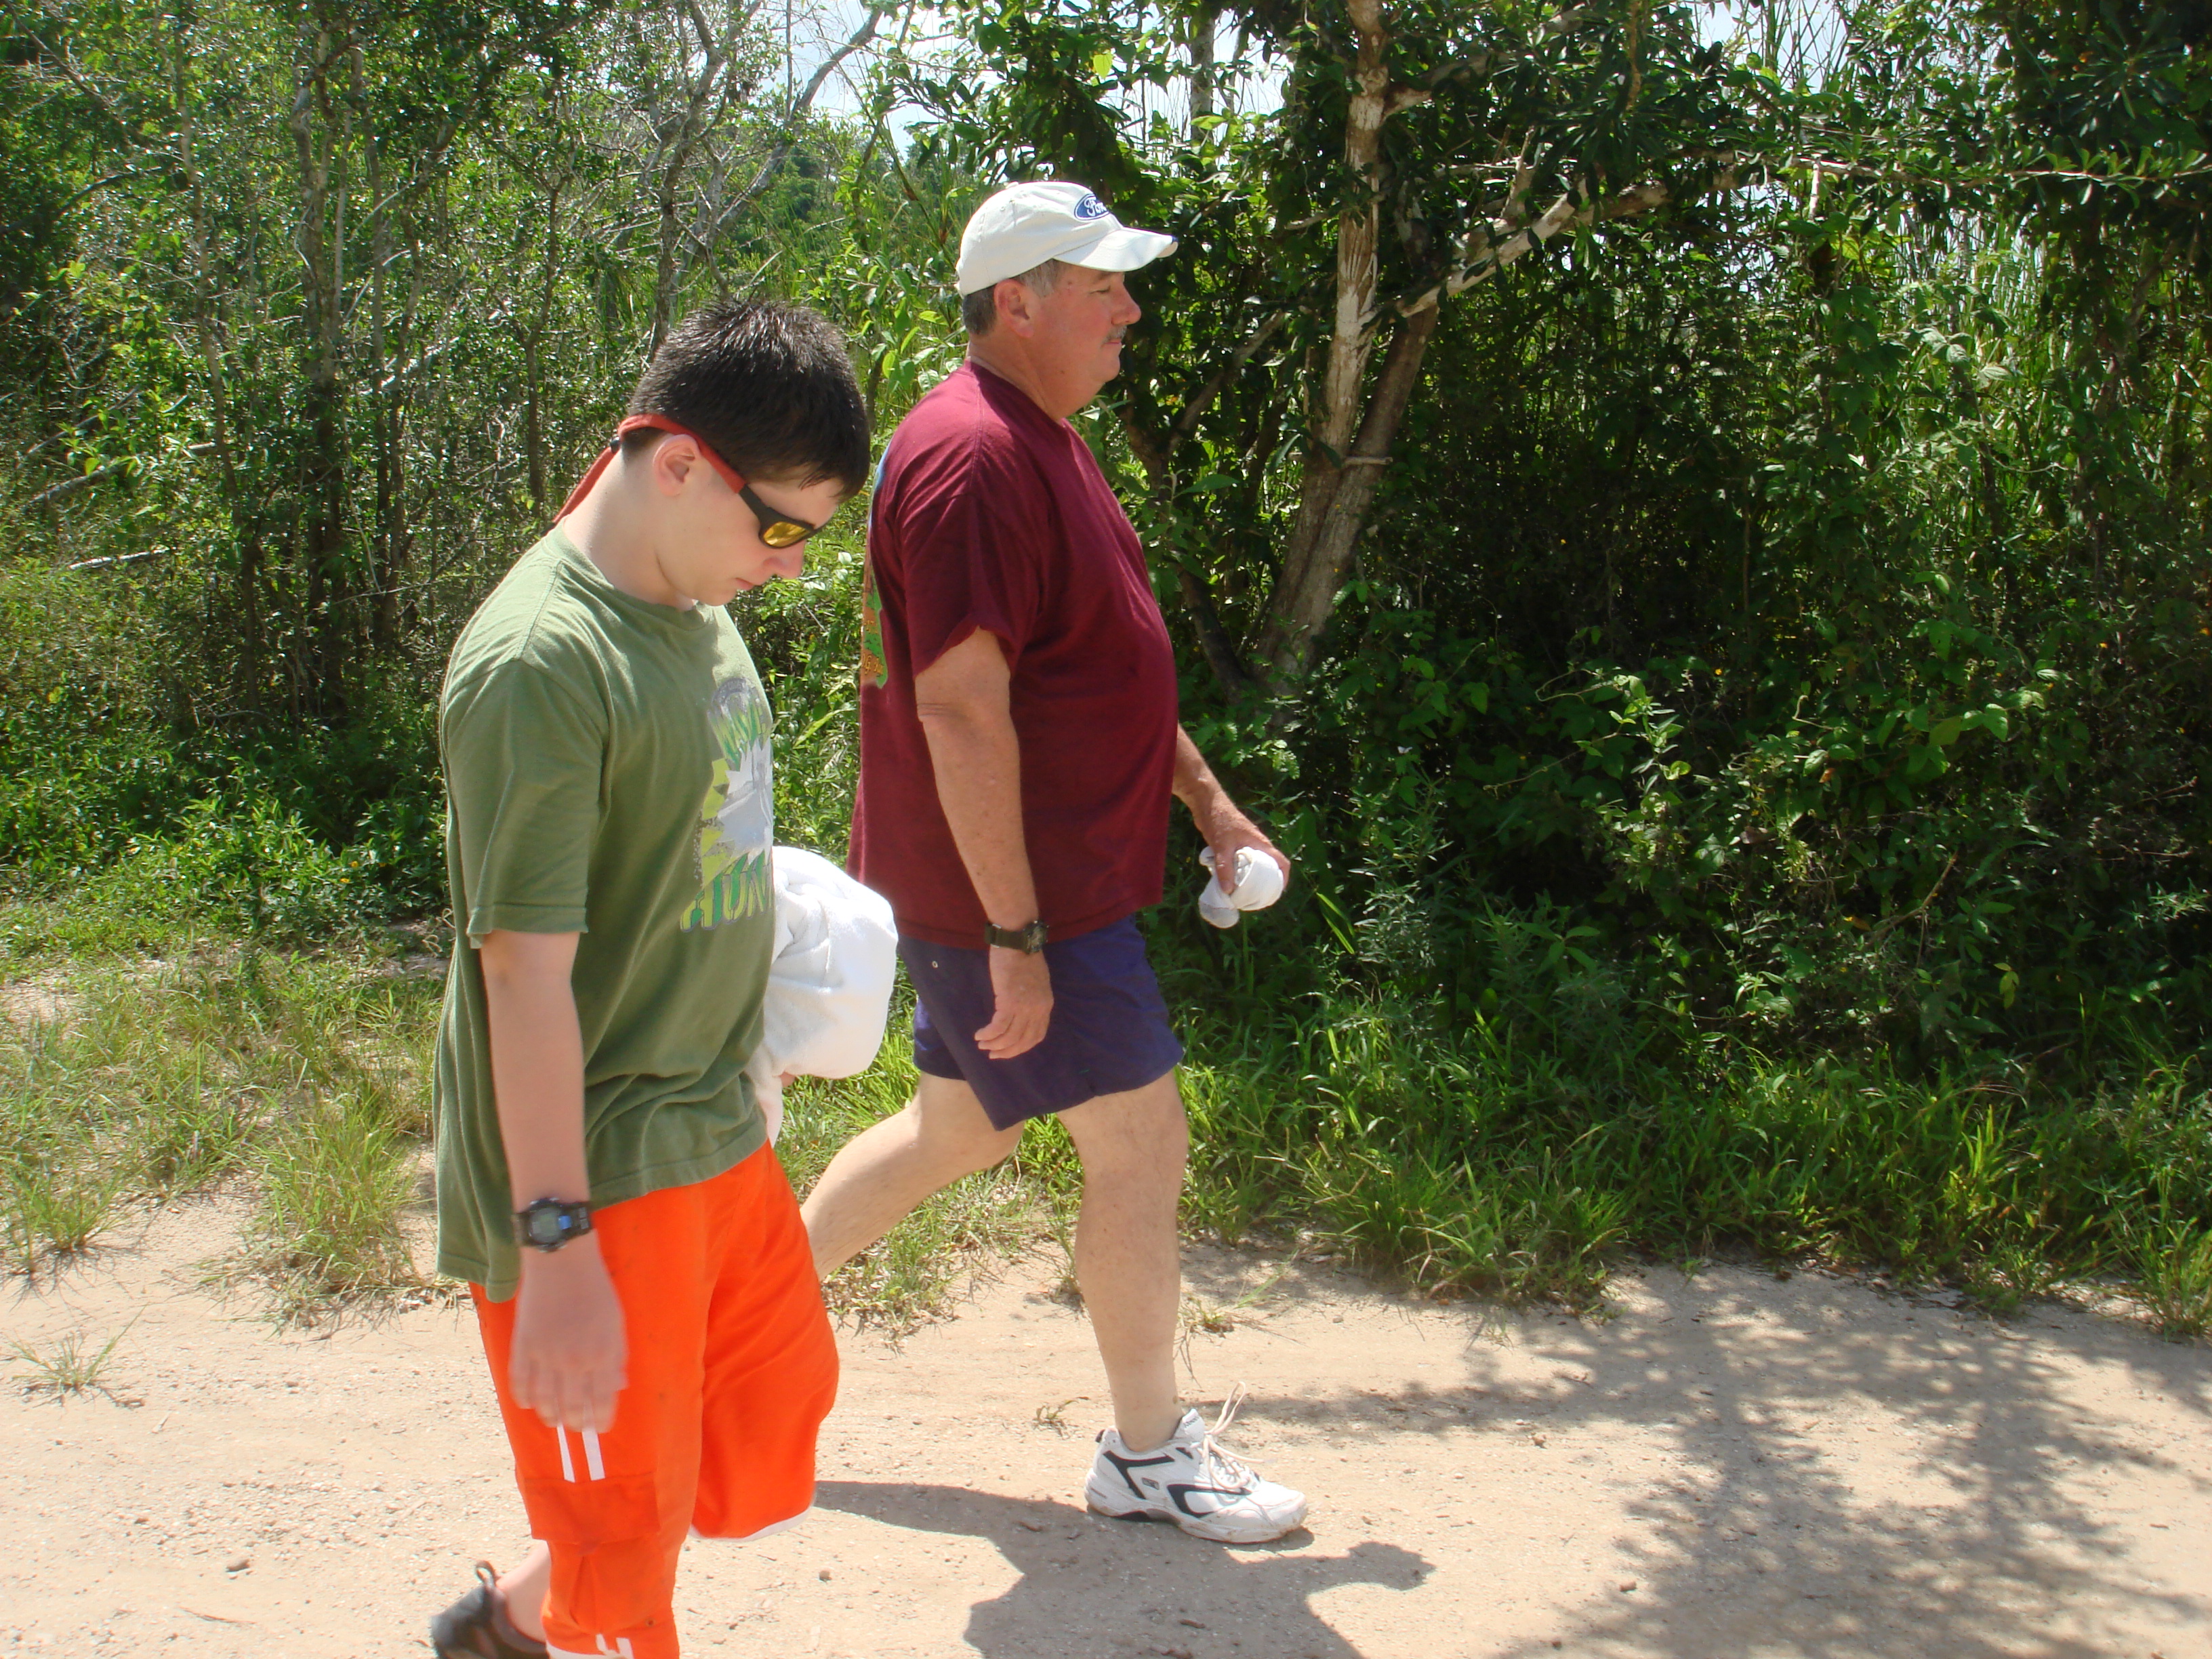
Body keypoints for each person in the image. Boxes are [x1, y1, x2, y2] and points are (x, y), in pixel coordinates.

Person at [804, 180, 1310, 1544]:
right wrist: (1016, 939)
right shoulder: (974, 457)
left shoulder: (1042, 441)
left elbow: (1102, 668)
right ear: (1017, 303)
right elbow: (962, 710)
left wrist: (1209, 805)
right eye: (1102, 287)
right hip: (1022, 898)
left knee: (961, 1128)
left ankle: (729, 1319)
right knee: (1143, 1145)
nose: (1129, 309)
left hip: (1025, 889)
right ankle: (1149, 1451)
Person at [426, 300, 870, 1659]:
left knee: (762, 1423)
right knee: (626, 1553)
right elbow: (522, 979)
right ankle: (576, 1598)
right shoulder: (540, 667)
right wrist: (556, 1247)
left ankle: (518, 1618)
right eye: (780, 530)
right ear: (679, 462)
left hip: (714, 1124)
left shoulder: (692, 597)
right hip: (598, 1168)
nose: (792, 567)